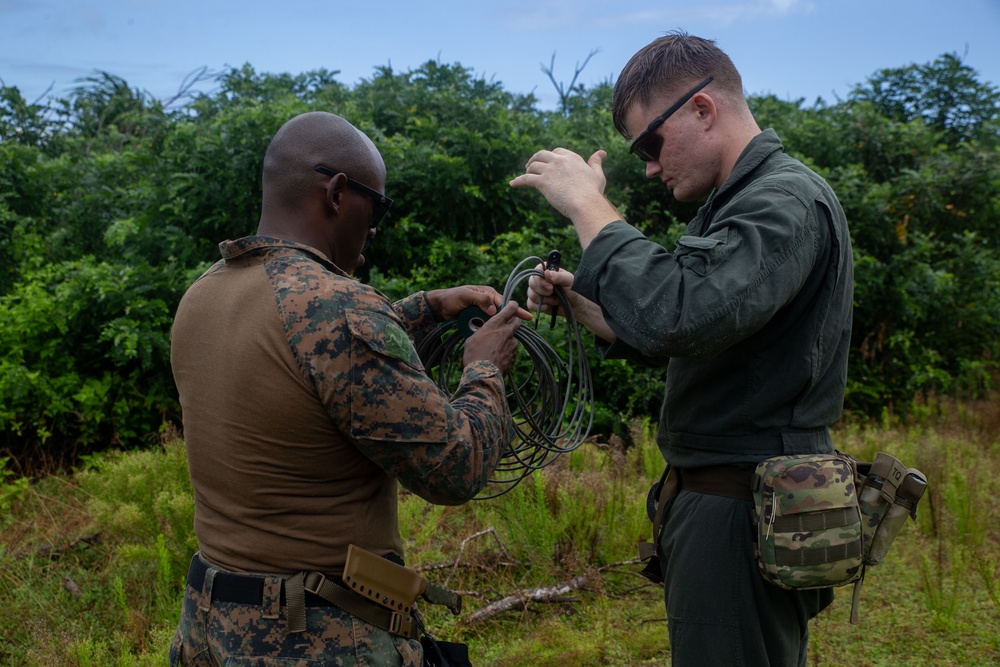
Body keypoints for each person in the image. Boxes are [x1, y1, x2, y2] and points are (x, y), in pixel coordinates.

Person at [510, 31, 853, 666]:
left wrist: (588, 206)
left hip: (742, 507)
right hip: (726, 504)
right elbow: (702, 336)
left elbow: (683, 318)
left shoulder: (782, 202)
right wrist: (584, 305)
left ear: (702, 109)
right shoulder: (740, 204)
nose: (647, 165)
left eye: (650, 143)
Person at [169, 111, 524, 666]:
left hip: (213, 624)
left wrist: (424, 308)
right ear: (337, 193)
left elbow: (305, 359)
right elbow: (457, 468)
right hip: (312, 636)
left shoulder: (203, 297)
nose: (376, 224)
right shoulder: (339, 307)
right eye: (376, 206)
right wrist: (485, 369)